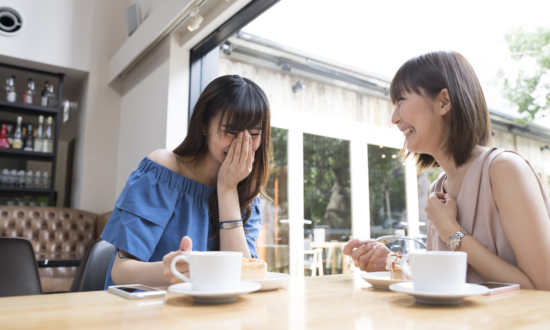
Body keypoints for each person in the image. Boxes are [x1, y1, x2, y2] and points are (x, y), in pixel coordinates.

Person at [343, 51, 550, 290]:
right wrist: (393, 263)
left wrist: (453, 232)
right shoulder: (438, 188)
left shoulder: (504, 169)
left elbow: (543, 288)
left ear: (444, 102)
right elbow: (451, 286)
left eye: (400, 101)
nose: (394, 118)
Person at [100, 75, 271, 288]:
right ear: (203, 126)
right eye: (231, 132)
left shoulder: (246, 194)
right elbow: (121, 272)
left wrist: (227, 189)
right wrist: (169, 270)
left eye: (253, 134)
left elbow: (244, 277)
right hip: (144, 311)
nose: (241, 143)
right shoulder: (162, 171)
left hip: (208, 316)